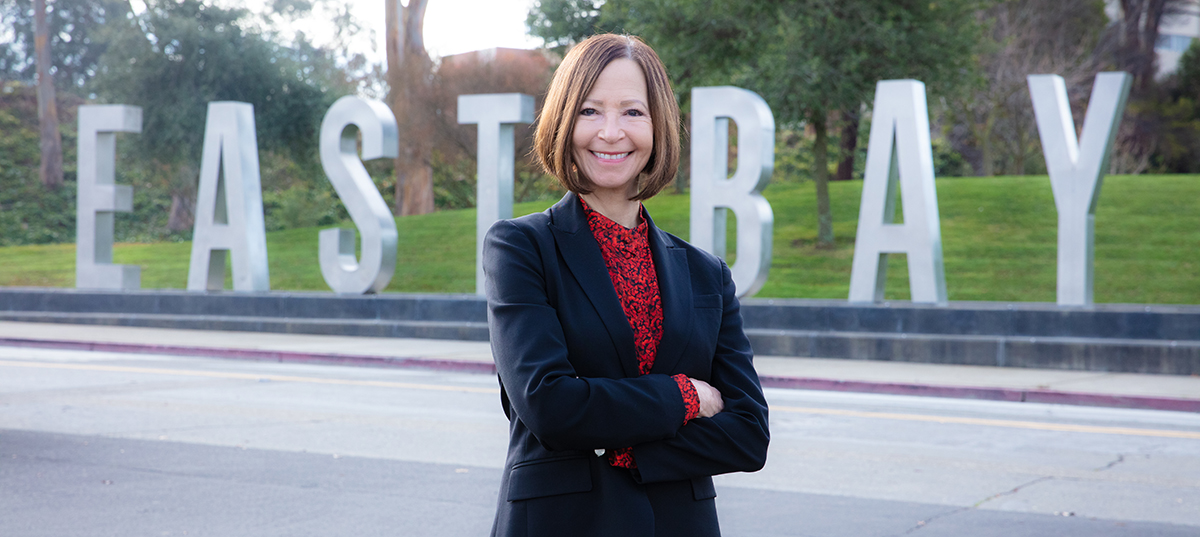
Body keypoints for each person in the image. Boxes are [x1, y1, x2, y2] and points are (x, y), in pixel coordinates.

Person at [482, 33, 769, 537]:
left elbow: (748, 435)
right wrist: (685, 398)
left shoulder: (706, 273)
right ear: (563, 120)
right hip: (562, 522)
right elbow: (550, 406)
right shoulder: (521, 248)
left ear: (658, 126)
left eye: (632, 112)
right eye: (590, 111)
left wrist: (628, 450)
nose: (611, 133)